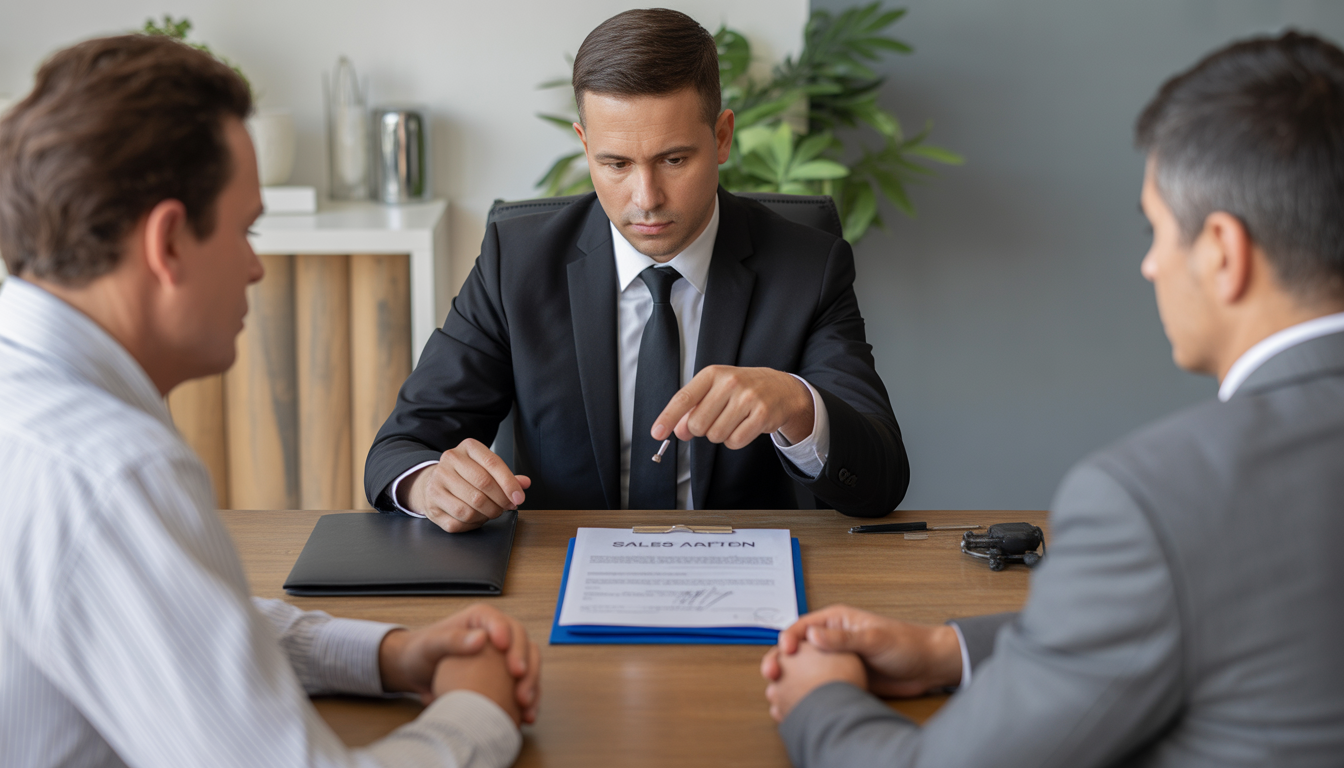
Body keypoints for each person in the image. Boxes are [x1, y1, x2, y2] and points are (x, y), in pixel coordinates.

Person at [759, 31, 1344, 767]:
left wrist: (820, 700)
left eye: (1158, 231)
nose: (1151, 265)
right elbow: (1242, 617)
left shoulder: (1159, 500)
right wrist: (950, 650)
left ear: (1224, 252)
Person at [0, 35, 538, 767]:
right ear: (168, 243)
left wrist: (387, 654)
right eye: (245, 230)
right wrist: (480, 712)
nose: (255, 267)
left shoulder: (42, 411)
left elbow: (182, 622)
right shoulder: (114, 471)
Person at [365, 8, 909, 531]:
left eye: (674, 160)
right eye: (616, 164)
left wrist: (797, 404)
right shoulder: (517, 262)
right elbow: (401, 447)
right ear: (585, 147)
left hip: (742, 566)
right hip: (559, 567)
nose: (646, 198)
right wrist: (431, 484)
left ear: (721, 137)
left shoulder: (808, 268)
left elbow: (882, 478)